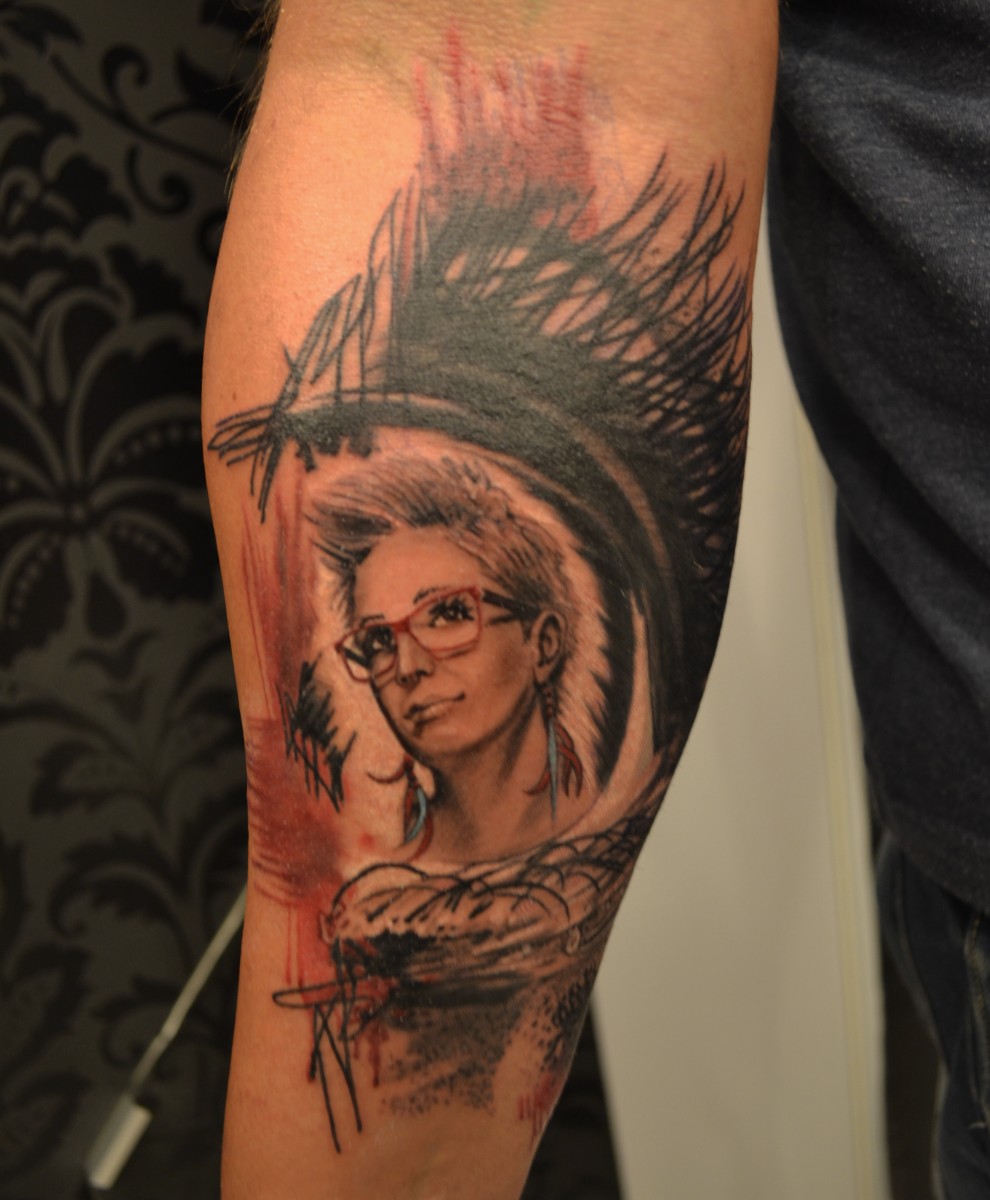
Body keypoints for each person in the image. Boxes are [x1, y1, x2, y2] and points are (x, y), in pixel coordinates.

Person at [316, 454, 586, 860]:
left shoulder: (613, 821)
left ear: (543, 643)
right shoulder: (387, 871)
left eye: (447, 614)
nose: (408, 667)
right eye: (379, 640)